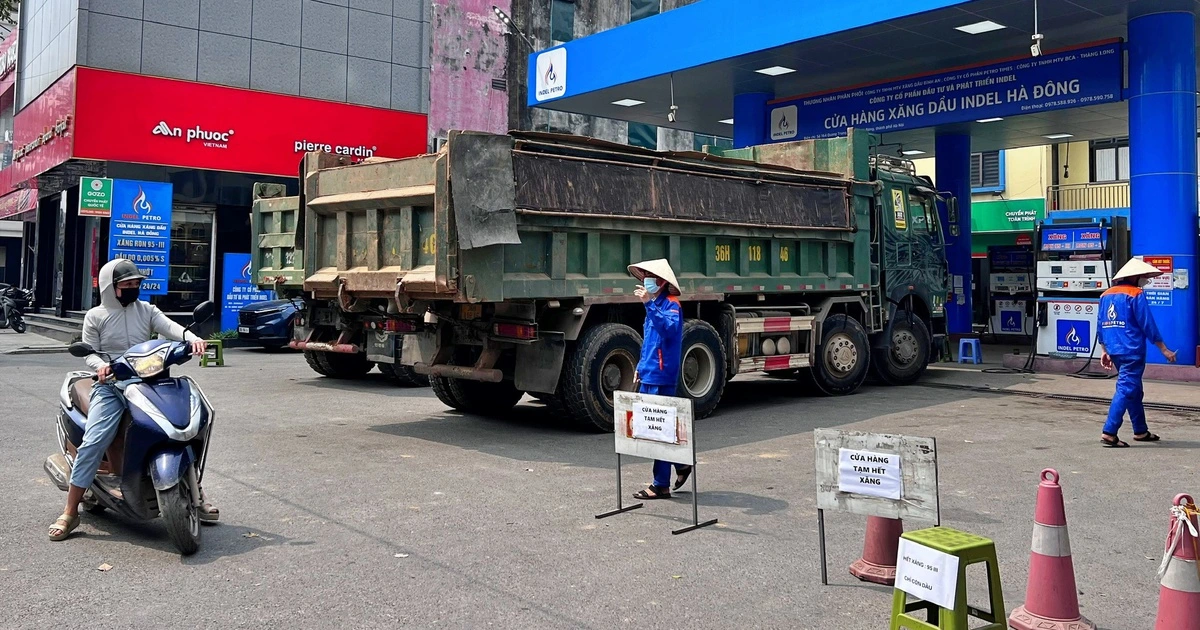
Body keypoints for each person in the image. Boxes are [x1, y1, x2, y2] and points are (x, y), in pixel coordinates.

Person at [49, 259, 219, 541]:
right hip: (111, 384)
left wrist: (193, 338)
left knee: (185, 426)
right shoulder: (96, 316)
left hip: (150, 379)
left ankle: (195, 493)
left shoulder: (147, 310)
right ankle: (70, 510)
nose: (133, 288)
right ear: (109, 287)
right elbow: (90, 351)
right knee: (94, 441)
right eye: (126, 285)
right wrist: (100, 366)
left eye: (136, 284)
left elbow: (172, 328)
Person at [627, 259, 692, 500]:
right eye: (644, 276)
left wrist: (649, 304)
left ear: (662, 282)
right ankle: (680, 466)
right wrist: (640, 367)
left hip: (663, 375)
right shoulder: (655, 305)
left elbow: (668, 331)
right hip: (650, 372)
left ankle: (660, 484)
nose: (645, 280)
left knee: (658, 430)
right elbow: (650, 342)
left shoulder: (671, 305)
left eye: (649, 276)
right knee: (656, 427)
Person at [1097, 258, 1177, 448]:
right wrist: (1163, 349)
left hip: (1114, 349)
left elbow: (1101, 325)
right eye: (1143, 278)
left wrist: (1104, 350)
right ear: (1135, 277)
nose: (1145, 281)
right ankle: (1109, 431)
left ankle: (1140, 431)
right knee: (1125, 389)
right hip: (1132, 350)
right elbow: (1147, 324)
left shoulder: (1105, 295)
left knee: (1133, 390)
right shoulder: (1135, 294)